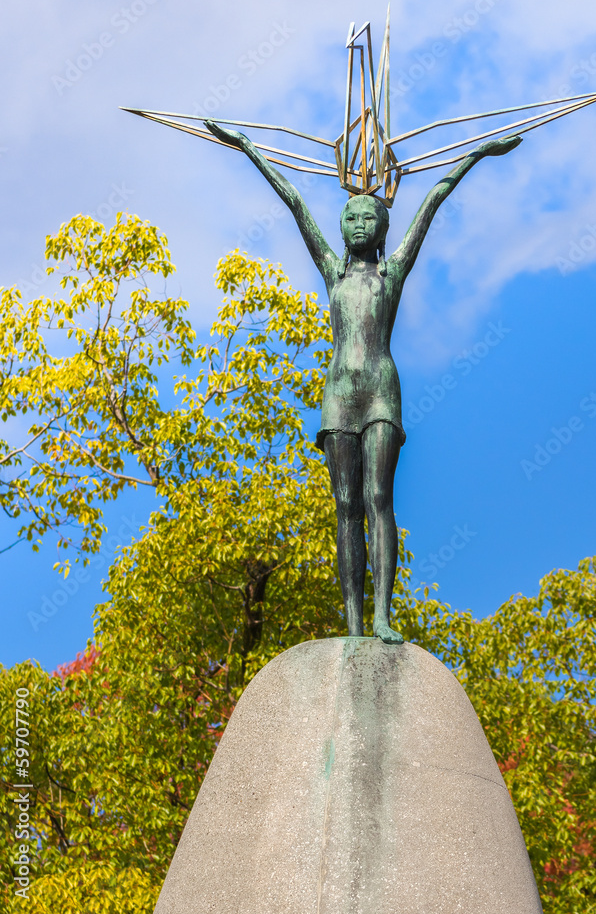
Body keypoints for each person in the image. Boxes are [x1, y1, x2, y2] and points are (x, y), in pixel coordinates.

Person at [206, 120, 522, 643]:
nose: (358, 222)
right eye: (350, 215)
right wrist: (246, 148)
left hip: (380, 390)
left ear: (382, 228)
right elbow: (291, 200)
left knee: (378, 498)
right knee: (345, 507)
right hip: (338, 397)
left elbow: (435, 197)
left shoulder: (390, 274)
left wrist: (481, 152)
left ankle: (381, 616)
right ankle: (353, 623)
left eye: (368, 216)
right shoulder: (333, 273)